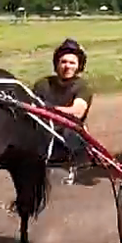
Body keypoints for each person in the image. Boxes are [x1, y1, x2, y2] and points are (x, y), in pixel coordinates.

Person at [31, 38, 94, 184]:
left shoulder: (82, 86)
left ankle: (78, 162)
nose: (67, 66)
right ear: (56, 64)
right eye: (63, 62)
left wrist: (48, 109)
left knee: (71, 133)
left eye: (72, 63)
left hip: (68, 132)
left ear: (79, 66)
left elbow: (77, 112)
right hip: (43, 131)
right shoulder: (42, 84)